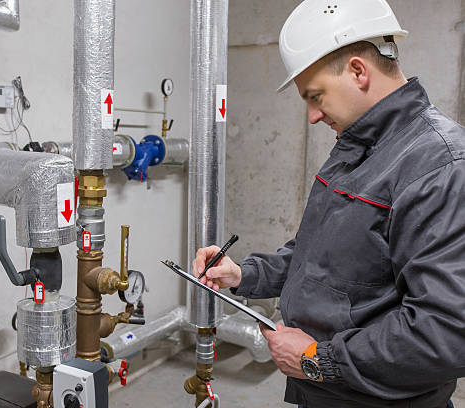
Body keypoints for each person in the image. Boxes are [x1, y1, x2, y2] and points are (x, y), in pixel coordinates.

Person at [193, 0, 465, 407]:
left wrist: (316, 360)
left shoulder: (440, 164)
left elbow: (447, 332)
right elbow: (319, 257)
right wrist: (243, 275)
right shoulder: (355, 145)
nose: (312, 116)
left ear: (358, 70)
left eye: (315, 96)